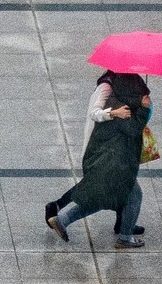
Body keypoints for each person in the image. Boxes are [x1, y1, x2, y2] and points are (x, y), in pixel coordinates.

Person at [46, 71, 152, 249]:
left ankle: (63, 220)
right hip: (113, 161)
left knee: (102, 197)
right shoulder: (120, 108)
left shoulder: (118, 102)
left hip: (108, 158)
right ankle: (125, 236)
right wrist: (144, 109)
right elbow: (132, 129)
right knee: (133, 195)